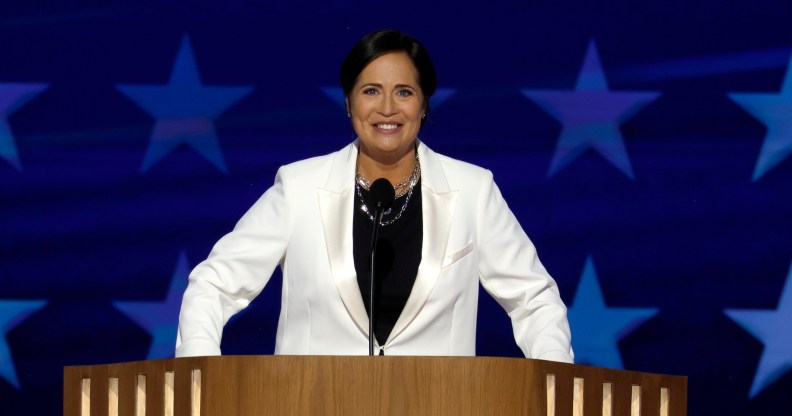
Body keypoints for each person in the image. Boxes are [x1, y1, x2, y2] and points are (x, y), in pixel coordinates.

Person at [176, 29, 573, 362]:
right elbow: (213, 284)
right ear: (349, 103)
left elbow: (535, 299)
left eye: (404, 92)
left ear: (424, 104)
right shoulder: (299, 188)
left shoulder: (472, 189)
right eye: (371, 91)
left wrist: (556, 389)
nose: (387, 108)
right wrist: (202, 376)